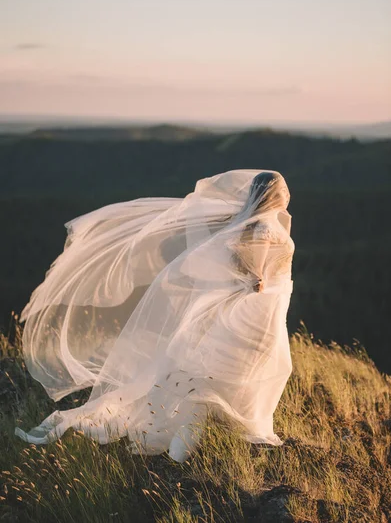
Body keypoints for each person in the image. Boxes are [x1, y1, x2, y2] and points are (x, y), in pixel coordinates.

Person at [15, 169, 294, 463]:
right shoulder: (263, 227)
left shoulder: (250, 223)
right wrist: (258, 278)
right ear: (274, 195)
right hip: (257, 309)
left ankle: (187, 443)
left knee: (214, 379)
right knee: (237, 374)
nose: (286, 196)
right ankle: (203, 442)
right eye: (282, 192)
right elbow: (254, 272)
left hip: (256, 309)